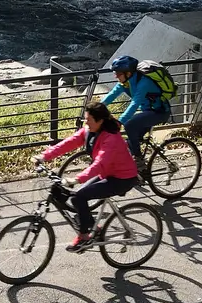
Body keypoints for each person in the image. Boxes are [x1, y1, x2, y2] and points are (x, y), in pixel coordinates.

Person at [35, 103, 140, 252]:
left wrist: (77, 178)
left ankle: (84, 236)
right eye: (85, 120)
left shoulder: (112, 139)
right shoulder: (90, 131)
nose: (86, 123)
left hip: (123, 178)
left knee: (80, 196)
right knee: (75, 196)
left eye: (89, 120)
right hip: (108, 173)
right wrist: (44, 156)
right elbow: (68, 143)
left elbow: (100, 163)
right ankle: (92, 226)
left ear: (100, 121)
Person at [101, 55, 172, 165]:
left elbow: (135, 103)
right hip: (148, 112)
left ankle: (139, 159)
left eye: (118, 73)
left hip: (159, 112)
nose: (116, 76)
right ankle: (138, 171)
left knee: (129, 124)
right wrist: (96, 107)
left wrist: (120, 121)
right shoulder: (126, 82)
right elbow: (112, 94)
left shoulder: (143, 83)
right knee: (131, 141)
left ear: (128, 73)